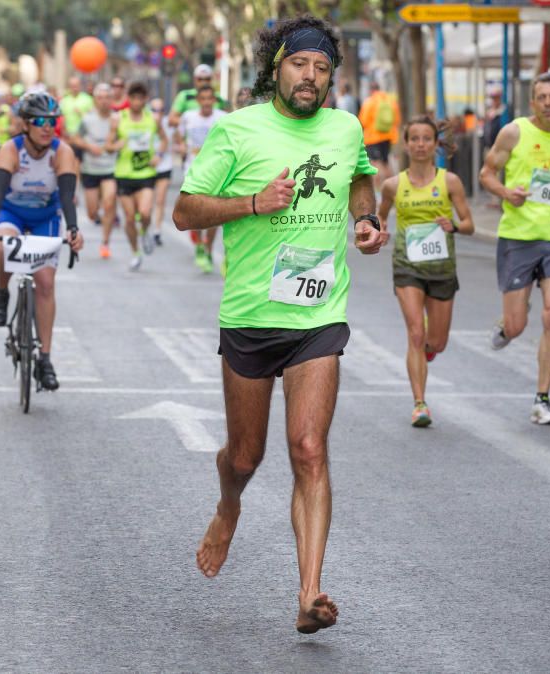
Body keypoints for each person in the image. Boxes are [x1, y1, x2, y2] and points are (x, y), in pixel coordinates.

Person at [173, 15, 386, 634]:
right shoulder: (237, 129)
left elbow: (360, 177)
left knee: (310, 449)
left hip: (319, 314)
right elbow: (185, 212)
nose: (311, 77)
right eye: (300, 65)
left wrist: (365, 220)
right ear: (276, 68)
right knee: (245, 456)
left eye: (322, 69)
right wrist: (252, 203)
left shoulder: (346, 129)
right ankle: (228, 505)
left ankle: (309, 592)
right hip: (250, 316)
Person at [479, 72, 550, 426]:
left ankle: (543, 398)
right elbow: (486, 173)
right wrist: (505, 193)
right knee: (516, 326)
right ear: (532, 102)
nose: (547, 103)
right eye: (541, 97)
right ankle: (510, 321)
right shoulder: (514, 132)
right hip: (518, 236)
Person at [0, 92, 84, 391]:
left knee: (46, 283)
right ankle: (1, 293)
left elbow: (66, 197)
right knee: (4, 244)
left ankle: (45, 359)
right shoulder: (11, 150)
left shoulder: (62, 152)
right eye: (39, 121)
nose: (46, 127)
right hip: (12, 212)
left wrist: (73, 229)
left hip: (44, 218)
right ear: (25, 124)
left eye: (52, 121)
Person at [377, 116, 474, 427]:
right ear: (405, 145)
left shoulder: (449, 182)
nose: (420, 145)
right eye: (414, 139)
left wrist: (454, 226)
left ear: (435, 145)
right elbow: (380, 217)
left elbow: (469, 224)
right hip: (407, 267)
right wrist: (380, 232)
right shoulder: (393, 185)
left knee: (436, 341)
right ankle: (420, 403)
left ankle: (429, 349)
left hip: (442, 268)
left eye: (426, 139)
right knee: (415, 333)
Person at [106, 81, 168, 270]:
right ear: (129, 99)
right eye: (133, 98)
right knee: (130, 218)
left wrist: (158, 155)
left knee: (146, 212)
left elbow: (164, 140)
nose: (136, 102)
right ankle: (135, 251)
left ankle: (145, 230)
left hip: (146, 173)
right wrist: (115, 146)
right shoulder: (118, 118)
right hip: (124, 174)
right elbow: (108, 145)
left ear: (145, 100)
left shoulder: (153, 119)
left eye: (140, 99)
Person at [179, 85, 228, 272]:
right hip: (192, 170)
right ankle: (199, 244)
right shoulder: (188, 117)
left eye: (210, 99)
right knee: (195, 213)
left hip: (216, 172)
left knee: (213, 215)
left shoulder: (222, 117)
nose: (207, 102)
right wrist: (181, 147)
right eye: (203, 99)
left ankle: (207, 248)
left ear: (214, 100)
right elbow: (179, 137)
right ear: (198, 100)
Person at [71, 83, 119, 259]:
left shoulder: (118, 119)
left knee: (109, 202)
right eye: (100, 98)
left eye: (107, 97)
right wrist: (89, 146)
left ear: (112, 100)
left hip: (110, 169)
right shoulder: (87, 119)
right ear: (95, 100)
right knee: (92, 213)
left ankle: (105, 243)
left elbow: (125, 139)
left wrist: (115, 146)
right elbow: (75, 138)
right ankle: (96, 214)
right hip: (90, 170)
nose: (104, 101)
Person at [358, 80, 400, 189]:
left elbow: (363, 120)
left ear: (371, 90)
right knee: (386, 162)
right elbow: (397, 119)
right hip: (388, 137)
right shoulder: (390, 101)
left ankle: (377, 190)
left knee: (376, 163)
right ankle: (392, 187)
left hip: (373, 138)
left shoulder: (370, 102)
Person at [150, 97, 173, 247]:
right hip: (146, 168)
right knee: (146, 202)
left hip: (164, 166)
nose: (157, 113)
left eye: (160, 110)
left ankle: (157, 231)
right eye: (154, 110)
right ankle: (145, 224)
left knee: (160, 201)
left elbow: (177, 139)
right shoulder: (143, 124)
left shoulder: (168, 124)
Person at [61, 75, 94, 168]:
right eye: (72, 86)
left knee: (79, 162)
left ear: (80, 86)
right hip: (69, 136)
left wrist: (81, 113)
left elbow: (93, 117)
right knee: (70, 161)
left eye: (76, 85)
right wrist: (64, 131)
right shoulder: (64, 100)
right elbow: (62, 117)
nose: (74, 88)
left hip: (83, 137)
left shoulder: (88, 99)